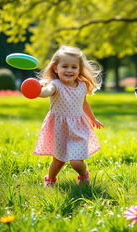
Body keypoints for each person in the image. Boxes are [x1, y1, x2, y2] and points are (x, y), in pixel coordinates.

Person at [34, 45, 104, 187]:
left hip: (78, 127)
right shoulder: (55, 84)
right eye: (65, 66)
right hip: (59, 128)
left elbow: (84, 103)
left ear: (79, 69)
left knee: (76, 161)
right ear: (56, 68)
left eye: (74, 67)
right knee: (58, 160)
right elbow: (46, 91)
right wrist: (37, 91)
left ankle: (84, 176)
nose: (69, 70)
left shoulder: (82, 86)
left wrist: (93, 118)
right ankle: (50, 180)